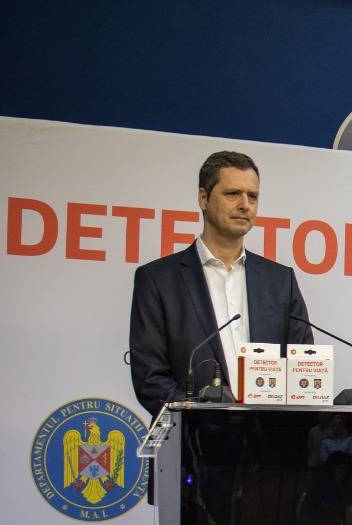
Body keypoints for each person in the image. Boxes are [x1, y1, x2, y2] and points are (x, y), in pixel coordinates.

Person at [128, 150, 313, 419]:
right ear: (203, 198)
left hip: (269, 437)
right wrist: (206, 420)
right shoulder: (158, 280)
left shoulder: (280, 280)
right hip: (196, 439)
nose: (245, 205)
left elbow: (303, 364)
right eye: (232, 194)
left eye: (252, 196)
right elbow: (150, 378)